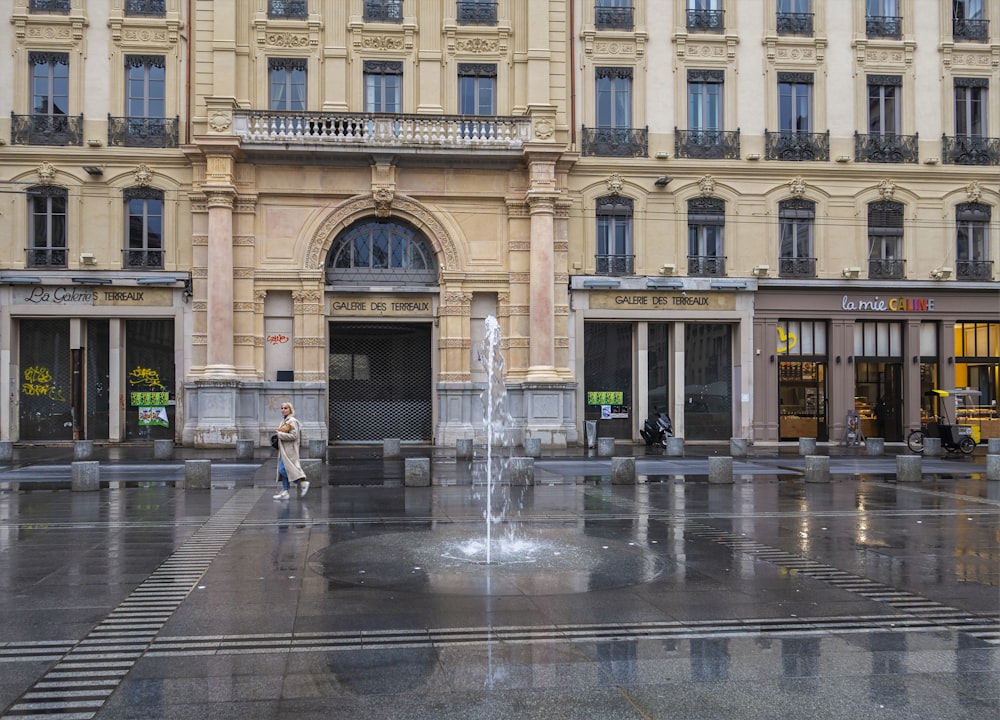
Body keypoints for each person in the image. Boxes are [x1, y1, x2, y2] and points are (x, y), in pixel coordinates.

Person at [273, 401, 308, 500]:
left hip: (289, 450)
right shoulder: (285, 421)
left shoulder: (292, 421)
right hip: (283, 449)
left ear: (290, 409)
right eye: (282, 408)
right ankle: (285, 491)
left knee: (284, 469)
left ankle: (302, 483)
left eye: (286, 408)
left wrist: (280, 435)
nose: (283, 410)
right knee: (282, 470)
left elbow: (294, 436)